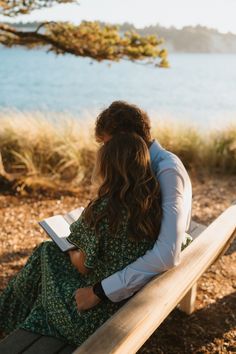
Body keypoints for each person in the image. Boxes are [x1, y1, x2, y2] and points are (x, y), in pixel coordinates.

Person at [0, 132, 163, 346]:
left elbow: (83, 265)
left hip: (89, 317)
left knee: (46, 252)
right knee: (46, 260)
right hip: (123, 305)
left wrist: (70, 250)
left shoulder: (105, 209)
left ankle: (6, 318)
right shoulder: (152, 207)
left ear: (110, 167)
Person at [74, 101, 192, 310]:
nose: (104, 150)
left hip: (142, 282)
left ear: (125, 139)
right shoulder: (137, 170)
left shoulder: (166, 170)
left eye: (106, 143)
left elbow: (167, 254)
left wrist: (100, 290)